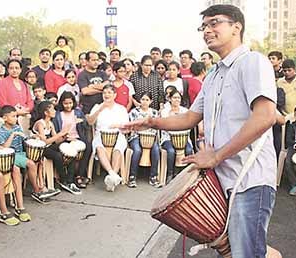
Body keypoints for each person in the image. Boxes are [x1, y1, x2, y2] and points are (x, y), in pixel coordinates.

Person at [122, 5, 278, 257]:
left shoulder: (252, 62)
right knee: (233, 250)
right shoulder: (214, 74)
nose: (207, 31)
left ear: (236, 26)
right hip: (221, 179)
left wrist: (216, 156)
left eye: (214, 23)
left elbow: (265, 116)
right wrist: (152, 122)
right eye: (203, 26)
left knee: (244, 253)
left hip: (251, 178)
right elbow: (191, 117)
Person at [0, 105, 53, 203]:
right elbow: (5, 148)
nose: (16, 119)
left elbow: (25, 138)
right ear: (5, 118)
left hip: (21, 153)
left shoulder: (17, 127)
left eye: (16, 116)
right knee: (30, 163)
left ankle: (41, 185)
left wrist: (34, 137)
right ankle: (36, 190)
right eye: (13, 116)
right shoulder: (1, 131)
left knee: (39, 159)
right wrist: (12, 135)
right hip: (11, 155)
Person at [86, 85, 129, 192]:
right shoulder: (97, 106)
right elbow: (90, 122)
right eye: (104, 92)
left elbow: (127, 128)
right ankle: (112, 174)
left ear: (115, 95)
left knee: (118, 149)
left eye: (109, 92)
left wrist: (118, 126)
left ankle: (111, 179)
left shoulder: (121, 108)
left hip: (117, 134)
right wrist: (100, 109)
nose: (106, 95)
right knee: (99, 148)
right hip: (99, 134)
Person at [33, 101, 80, 194]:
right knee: (58, 155)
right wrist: (59, 134)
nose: (55, 111)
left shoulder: (50, 123)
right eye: (52, 109)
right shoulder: (40, 124)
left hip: (49, 146)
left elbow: (57, 141)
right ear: (46, 112)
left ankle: (70, 181)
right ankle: (63, 180)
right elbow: (44, 142)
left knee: (70, 151)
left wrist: (64, 136)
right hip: (40, 149)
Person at [54, 92, 92, 188]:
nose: (68, 105)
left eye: (70, 103)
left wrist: (82, 122)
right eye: (66, 103)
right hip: (65, 139)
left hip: (77, 137)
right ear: (62, 103)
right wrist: (66, 137)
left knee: (88, 147)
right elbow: (56, 130)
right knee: (71, 150)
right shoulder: (58, 114)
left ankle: (80, 175)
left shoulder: (78, 112)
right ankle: (69, 177)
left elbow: (87, 126)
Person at [127, 92, 161, 188]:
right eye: (143, 99)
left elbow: (156, 126)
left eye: (147, 100)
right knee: (137, 150)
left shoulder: (154, 112)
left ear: (151, 101)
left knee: (156, 150)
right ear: (139, 101)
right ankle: (132, 176)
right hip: (136, 136)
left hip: (150, 137)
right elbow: (132, 126)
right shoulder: (134, 112)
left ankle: (153, 176)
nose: (145, 102)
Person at [160, 89, 193, 182]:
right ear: (170, 99)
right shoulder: (165, 112)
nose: (176, 100)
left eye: (178, 98)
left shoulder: (185, 111)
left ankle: (185, 174)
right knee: (171, 151)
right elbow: (165, 126)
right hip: (168, 138)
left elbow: (188, 125)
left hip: (183, 138)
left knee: (189, 150)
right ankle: (170, 173)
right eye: (174, 98)